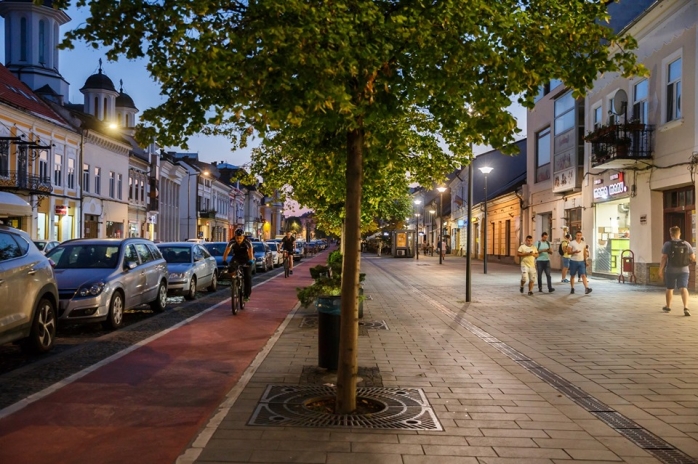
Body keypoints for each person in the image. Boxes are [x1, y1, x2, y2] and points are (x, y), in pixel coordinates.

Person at [659, 226, 695, 316]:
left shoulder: (668, 244)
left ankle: (668, 306)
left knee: (670, 288)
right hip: (684, 270)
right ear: (680, 233)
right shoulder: (686, 243)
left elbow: (664, 257)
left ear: (671, 234)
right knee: (683, 288)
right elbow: (693, 258)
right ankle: (686, 307)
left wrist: (660, 270)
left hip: (671, 270)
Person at [223, 228, 254, 301]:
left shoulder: (247, 242)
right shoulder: (232, 241)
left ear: (243, 237)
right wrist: (224, 260)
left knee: (248, 277)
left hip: (246, 258)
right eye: (237, 238)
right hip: (236, 257)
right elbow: (226, 251)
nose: (239, 240)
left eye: (240, 238)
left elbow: (250, 252)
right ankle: (234, 282)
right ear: (235, 237)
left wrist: (250, 260)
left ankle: (246, 295)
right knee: (230, 267)